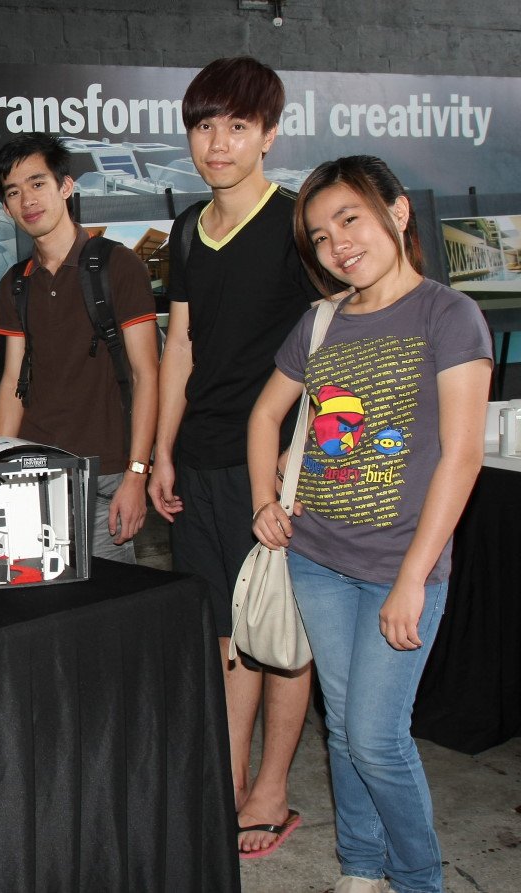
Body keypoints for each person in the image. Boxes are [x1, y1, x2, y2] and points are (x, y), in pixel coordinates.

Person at [249, 156, 492, 893]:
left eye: (349, 218)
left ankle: (419, 882)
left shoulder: (448, 315)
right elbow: (264, 413)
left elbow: (463, 455)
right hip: (316, 558)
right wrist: (266, 498)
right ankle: (361, 869)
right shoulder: (321, 320)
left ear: (398, 211)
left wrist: (413, 578)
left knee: (379, 739)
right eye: (320, 236)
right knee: (347, 732)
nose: (337, 244)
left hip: (400, 565)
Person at [147, 57, 318, 857]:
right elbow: (179, 346)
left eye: (237, 126)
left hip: (276, 466)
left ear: (270, 134)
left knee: (278, 627)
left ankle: (273, 789)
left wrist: (301, 469)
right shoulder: (187, 228)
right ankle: (228, 778)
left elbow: (333, 344)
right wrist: (159, 453)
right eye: (204, 125)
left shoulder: (296, 226)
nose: (217, 143)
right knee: (224, 629)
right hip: (200, 454)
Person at [0, 133, 158, 562]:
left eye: (37, 183)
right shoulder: (15, 283)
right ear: (6, 207)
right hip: (34, 471)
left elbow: (146, 375)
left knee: (107, 608)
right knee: (36, 605)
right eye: (14, 191)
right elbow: (12, 380)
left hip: (107, 472)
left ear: (66, 186)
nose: (27, 199)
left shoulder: (119, 265)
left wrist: (137, 475)